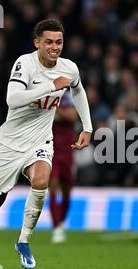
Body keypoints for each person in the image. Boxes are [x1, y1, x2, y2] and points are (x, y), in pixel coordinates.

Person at [0, 19, 93, 269]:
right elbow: (13, 99)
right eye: (49, 42)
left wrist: (87, 127)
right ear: (37, 42)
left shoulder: (69, 69)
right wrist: (50, 86)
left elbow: (79, 91)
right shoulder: (24, 63)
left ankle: (23, 241)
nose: (55, 47)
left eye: (59, 42)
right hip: (9, 145)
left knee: (42, 180)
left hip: (40, 142)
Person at [49, 95, 77, 243]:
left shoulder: (70, 94)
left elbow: (73, 115)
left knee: (67, 193)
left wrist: (53, 108)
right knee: (52, 187)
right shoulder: (46, 90)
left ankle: (61, 220)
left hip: (67, 152)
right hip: (51, 151)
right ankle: (56, 227)